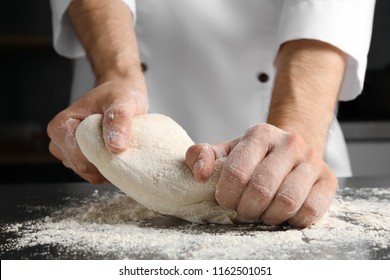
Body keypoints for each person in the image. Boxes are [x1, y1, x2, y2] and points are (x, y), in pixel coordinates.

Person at [47, 0, 376, 227]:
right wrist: (117, 74)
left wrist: (293, 136)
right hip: (118, 138)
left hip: (294, 123)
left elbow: (329, 9)